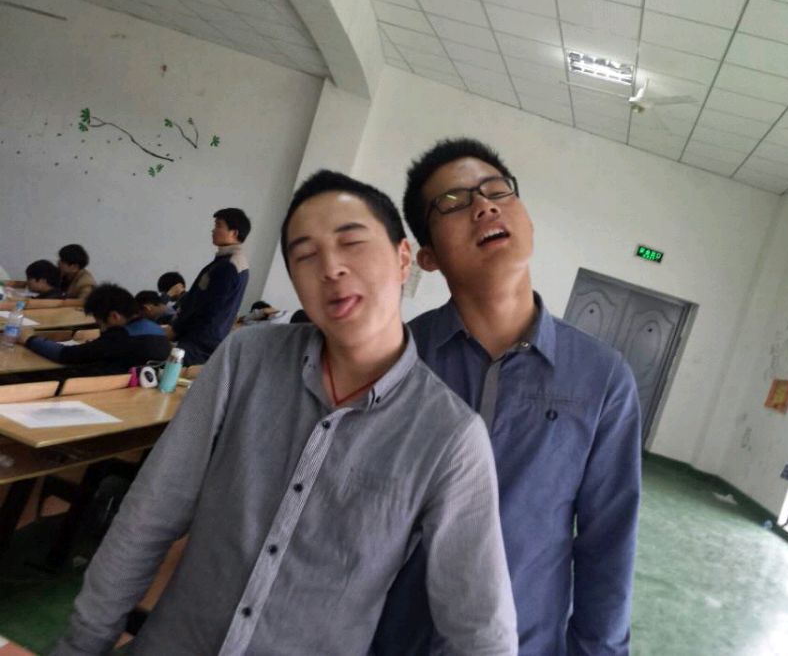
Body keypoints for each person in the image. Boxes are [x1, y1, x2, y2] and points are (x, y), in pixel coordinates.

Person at [52, 170, 516, 655]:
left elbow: (481, 629)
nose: (331, 268)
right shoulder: (245, 359)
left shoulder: (450, 435)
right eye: (306, 255)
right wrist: (81, 645)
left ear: (403, 258)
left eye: (351, 243)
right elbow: (151, 513)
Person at [374, 139, 642, 656]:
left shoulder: (602, 377)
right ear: (428, 256)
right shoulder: (398, 360)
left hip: (523, 641)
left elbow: (608, 543)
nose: (484, 206)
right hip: (392, 638)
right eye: (453, 202)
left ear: (528, 222)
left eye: (497, 190)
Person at [25, 284, 170, 374]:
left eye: (100, 323)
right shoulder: (156, 329)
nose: (102, 329)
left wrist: (29, 338)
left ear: (114, 316)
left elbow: (66, 355)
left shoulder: (120, 337)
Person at [168, 209, 250, 365]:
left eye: (219, 226)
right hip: (203, 339)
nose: (213, 230)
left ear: (234, 233)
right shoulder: (229, 262)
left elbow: (207, 307)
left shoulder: (229, 266)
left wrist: (176, 329)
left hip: (199, 342)